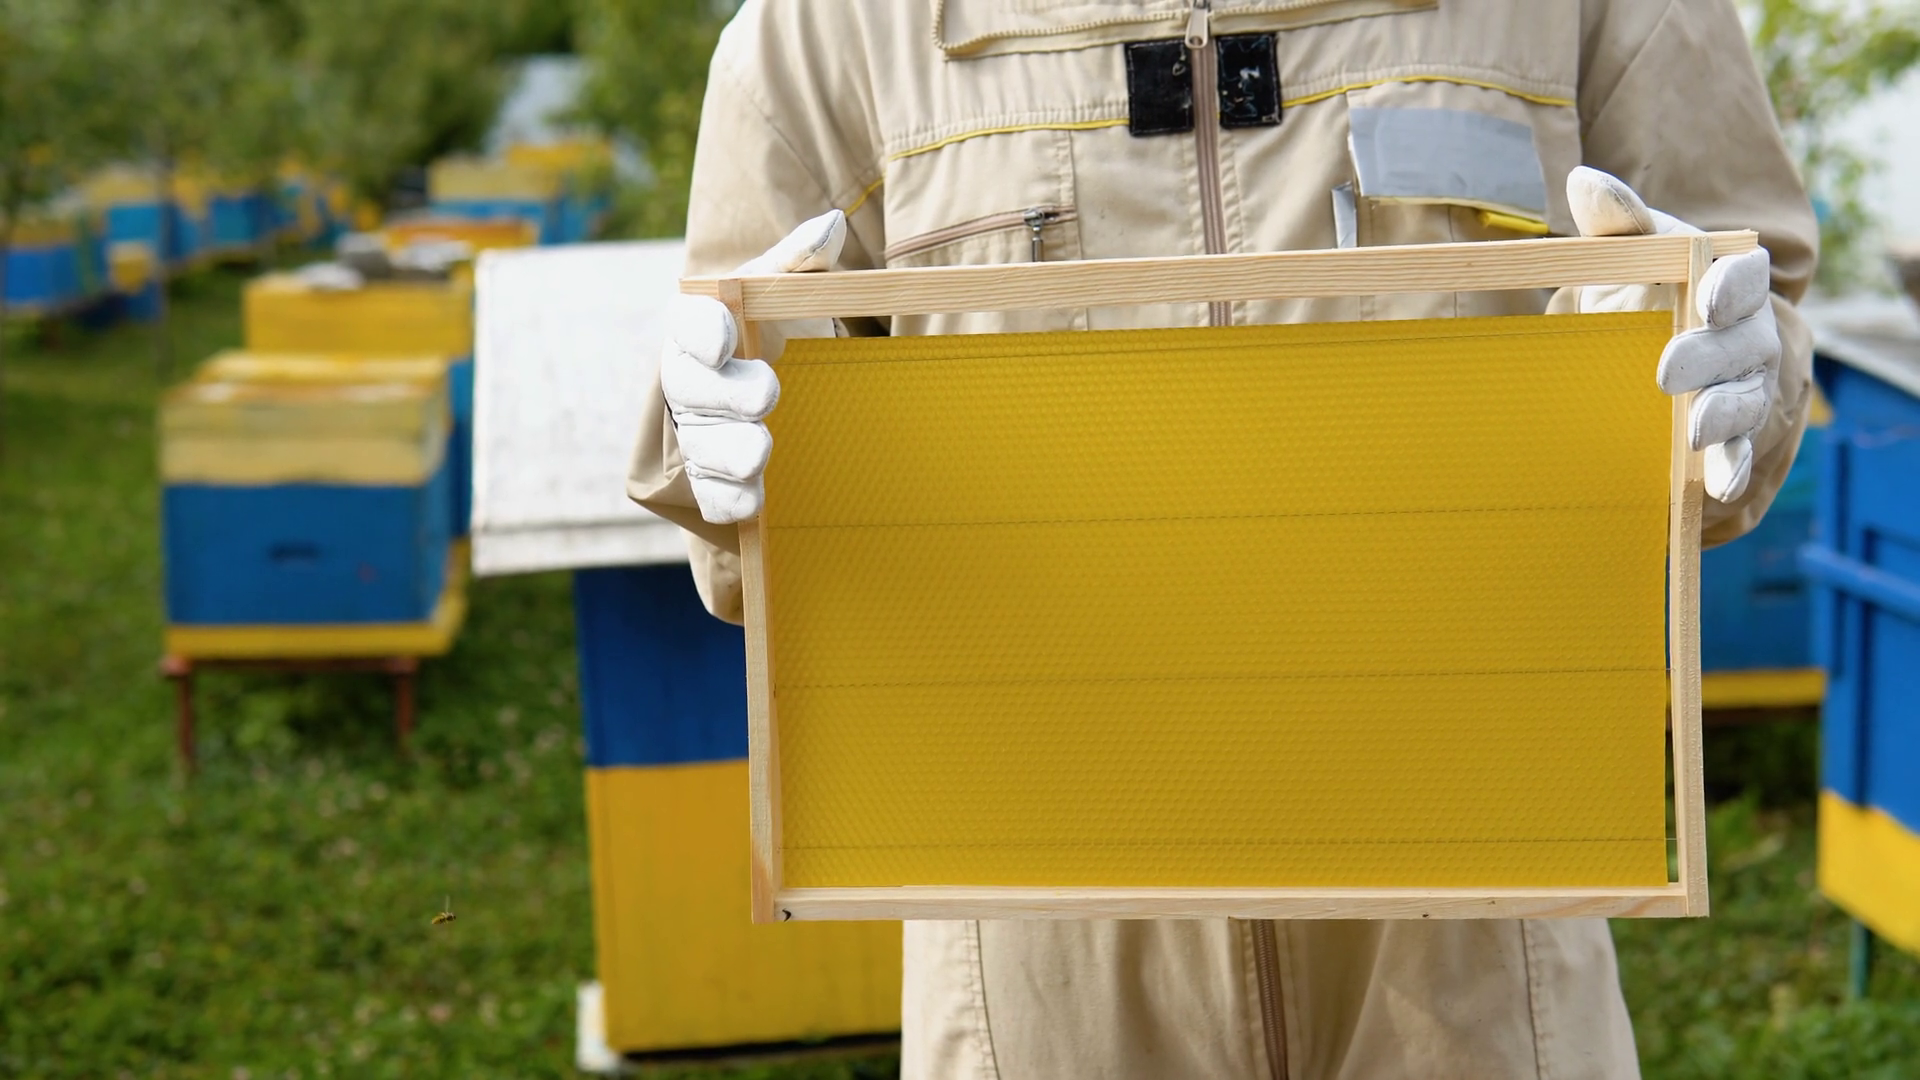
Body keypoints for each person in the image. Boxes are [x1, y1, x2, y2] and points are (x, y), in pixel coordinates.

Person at [628, 1, 1816, 1076]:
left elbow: (1751, 296)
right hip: (1037, 964)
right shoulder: (824, 30)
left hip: (1479, 944)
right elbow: (738, 473)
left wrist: (1727, 372)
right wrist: (722, 436)